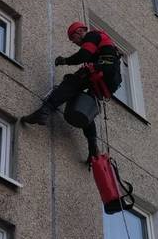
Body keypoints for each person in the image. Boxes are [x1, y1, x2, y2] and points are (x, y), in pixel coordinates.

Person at [21, 21, 122, 158]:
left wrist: (65, 60)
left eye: (73, 38)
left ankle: (43, 111)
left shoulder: (92, 35)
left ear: (80, 31)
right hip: (108, 80)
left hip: (102, 70)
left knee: (71, 82)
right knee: (85, 106)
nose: (74, 42)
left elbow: (83, 55)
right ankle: (93, 146)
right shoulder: (101, 45)